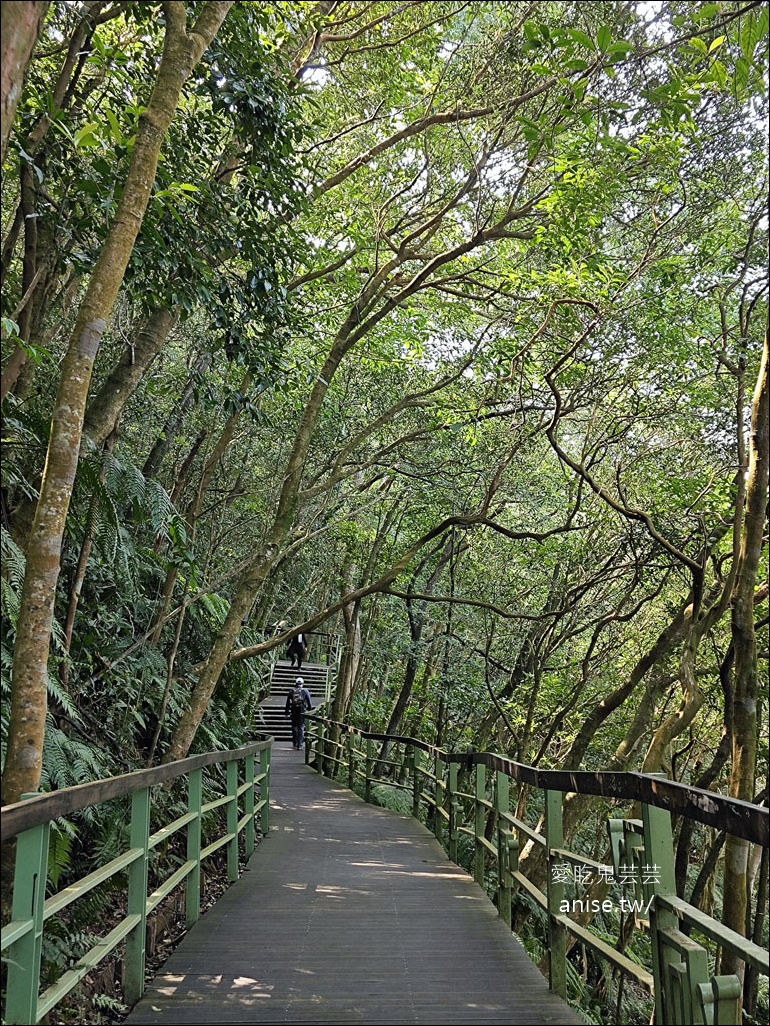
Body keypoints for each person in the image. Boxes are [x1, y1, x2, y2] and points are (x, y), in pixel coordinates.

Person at [285, 676, 312, 749]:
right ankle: (300, 744)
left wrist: (286, 712)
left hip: (293, 711)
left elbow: (288, 703)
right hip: (302, 711)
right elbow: (309, 701)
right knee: (301, 727)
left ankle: (295, 742)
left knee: (294, 726)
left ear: (295, 683)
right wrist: (309, 709)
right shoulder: (305, 691)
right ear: (302, 683)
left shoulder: (291, 691)